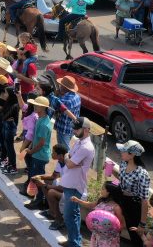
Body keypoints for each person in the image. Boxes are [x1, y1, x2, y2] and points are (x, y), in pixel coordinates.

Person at [60, 118, 95, 247]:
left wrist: (68, 159)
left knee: (69, 216)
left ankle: (74, 243)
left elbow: (69, 163)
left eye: (77, 128)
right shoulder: (79, 142)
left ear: (86, 130)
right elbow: (68, 158)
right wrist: (68, 159)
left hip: (75, 186)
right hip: (71, 183)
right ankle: (75, 240)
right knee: (74, 214)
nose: (74, 130)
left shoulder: (86, 147)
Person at [108, 140, 151, 247]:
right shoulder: (123, 163)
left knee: (136, 237)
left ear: (132, 155)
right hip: (121, 200)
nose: (121, 153)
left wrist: (142, 223)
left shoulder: (142, 174)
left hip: (134, 206)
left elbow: (144, 200)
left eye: (123, 151)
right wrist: (110, 170)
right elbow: (121, 178)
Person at [70, 182, 125, 247]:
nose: (101, 190)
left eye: (103, 189)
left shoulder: (116, 207)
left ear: (109, 192)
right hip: (97, 234)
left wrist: (112, 232)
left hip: (109, 238)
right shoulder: (101, 201)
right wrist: (78, 200)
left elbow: (122, 224)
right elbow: (90, 205)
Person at [23, 96, 52, 195]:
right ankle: (32, 194)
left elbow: (41, 143)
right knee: (33, 174)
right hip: (37, 154)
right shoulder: (40, 118)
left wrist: (31, 151)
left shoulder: (44, 124)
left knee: (37, 178)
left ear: (44, 108)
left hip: (40, 155)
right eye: (35, 104)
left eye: (38, 105)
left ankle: (39, 197)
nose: (35, 107)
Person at [49, 76, 82, 149]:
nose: (59, 86)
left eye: (61, 85)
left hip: (63, 129)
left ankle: (66, 160)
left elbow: (55, 107)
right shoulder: (77, 96)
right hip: (71, 128)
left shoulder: (64, 101)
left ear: (64, 88)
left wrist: (55, 94)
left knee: (64, 149)